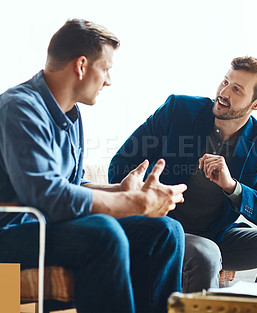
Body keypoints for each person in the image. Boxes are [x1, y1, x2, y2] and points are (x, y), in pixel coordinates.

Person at [0, 19, 187, 313]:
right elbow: (46, 195)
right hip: (11, 232)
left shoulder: (71, 115)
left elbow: (72, 183)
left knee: (165, 231)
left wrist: (117, 190)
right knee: (102, 232)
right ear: (82, 65)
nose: (109, 80)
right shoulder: (19, 108)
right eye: (106, 69)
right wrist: (133, 202)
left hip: (47, 227)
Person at [109, 56, 257, 292]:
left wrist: (232, 187)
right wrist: (146, 190)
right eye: (225, 81)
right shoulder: (178, 110)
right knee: (206, 253)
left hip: (218, 235)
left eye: (237, 89)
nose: (224, 92)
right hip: (166, 227)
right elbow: (120, 164)